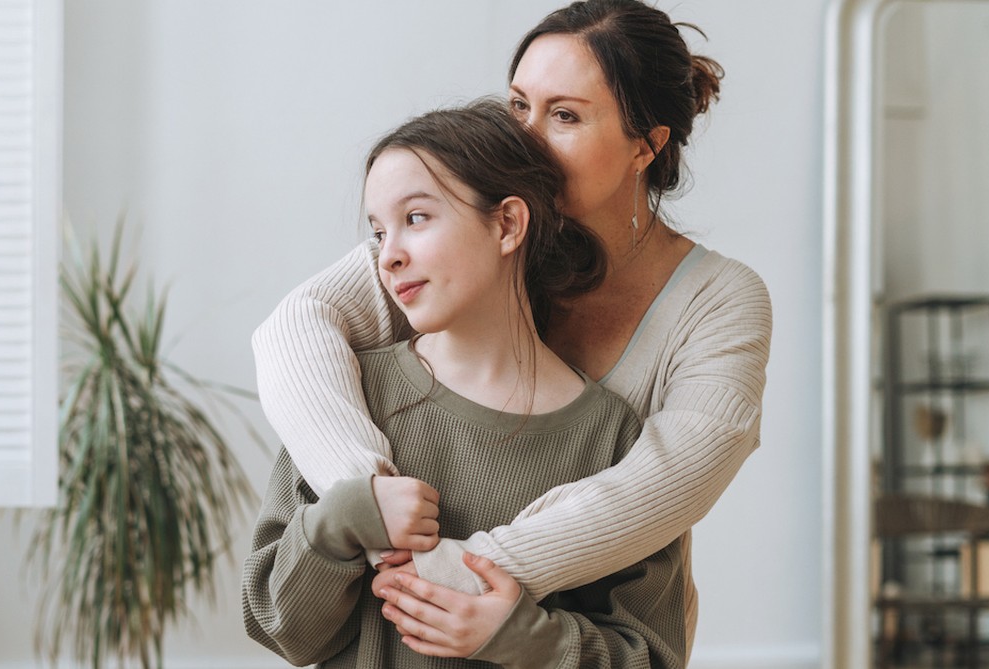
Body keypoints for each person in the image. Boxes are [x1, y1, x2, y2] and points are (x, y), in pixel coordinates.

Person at [250, 0, 772, 657]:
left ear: (647, 143)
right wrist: (366, 495)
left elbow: (663, 488)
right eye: (519, 104)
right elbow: (295, 328)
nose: (527, 136)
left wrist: (472, 579)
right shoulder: (464, 245)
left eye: (565, 115)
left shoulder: (717, 304)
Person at [242, 99, 686, 669]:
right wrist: (340, 518)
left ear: (506, 224)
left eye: (417, 218)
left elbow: (651, 655)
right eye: (379, 232)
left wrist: (528, 637)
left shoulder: (610, 437)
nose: (389, 256)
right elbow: (281, 630)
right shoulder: (349, 401)